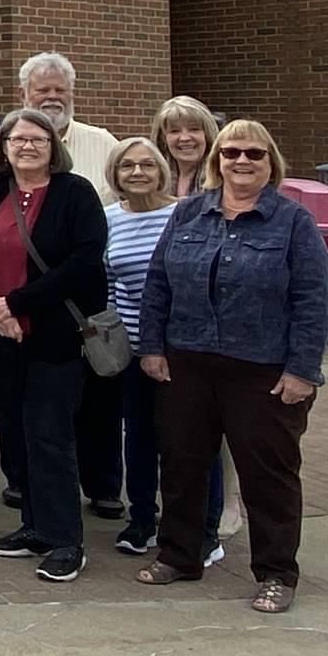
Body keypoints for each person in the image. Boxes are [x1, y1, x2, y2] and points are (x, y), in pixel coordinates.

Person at [136, 120, 328, 614]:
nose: (241, 162)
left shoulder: (293, 222)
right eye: (231, 153)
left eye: (254, 154)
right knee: (181, 464)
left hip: (261, 369)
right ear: (216, 161)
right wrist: (152, 347)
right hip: (188, 362)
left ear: (271, 163)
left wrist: (302, 371)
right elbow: (158, 282)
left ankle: (276, 573)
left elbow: (314, 300)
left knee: (269, 475)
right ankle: (179, 555)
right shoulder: (188, 214)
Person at [0, 51, 122, 516]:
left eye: (59, 91)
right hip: (1, 326)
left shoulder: (94, 157)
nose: (50, 98)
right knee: (15, 415)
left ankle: (85, 502)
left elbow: (85, 259)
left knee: (71, 418)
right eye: (40, 92)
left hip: (64, 323)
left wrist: (14, 302)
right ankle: (25, 495)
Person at [0, 108, 108, 583]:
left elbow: (85, 263)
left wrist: (15, 303)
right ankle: (35, 527)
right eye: (17, 139)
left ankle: (67, 541)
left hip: (54, 336)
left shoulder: (75, 193)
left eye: (37, 140)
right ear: (2, 147)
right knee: (18, 431)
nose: (26, 146)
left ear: (53, 147)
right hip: (1, 336)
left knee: (49, 434)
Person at [104, 135, 225, 561]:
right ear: (115, 175)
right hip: (133, 351)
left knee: (192, 441)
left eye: (146, 165)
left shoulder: (187, 214)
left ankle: (203, 528)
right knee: (137, 439)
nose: (137, 173)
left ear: (162, 171)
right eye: (127, 166)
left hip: (182, 350)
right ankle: (141, 519)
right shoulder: (109, 219)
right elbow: (109, 285)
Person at [0, 52, 118, 222]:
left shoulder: (105, 145)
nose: (53, 96)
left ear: (71, 93)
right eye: (43, 90)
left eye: (60, 90)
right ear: (22, 94)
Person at [152, 96, 219, 201]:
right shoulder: (154, 177)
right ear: (163, 138)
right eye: (174, 131)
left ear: (207, 134)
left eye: (194, 129)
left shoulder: (221, 175)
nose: (184, 138)